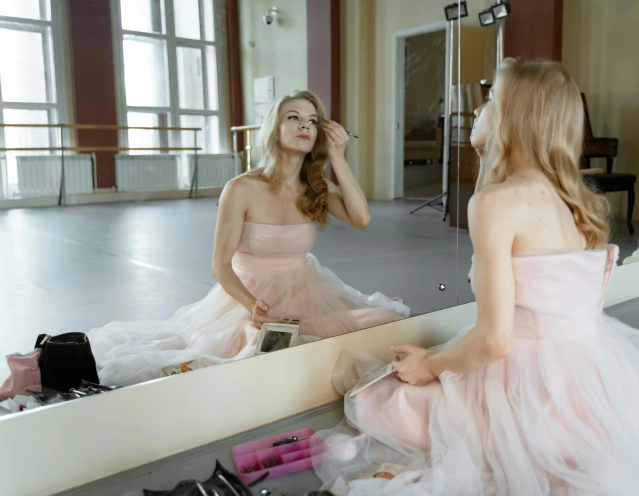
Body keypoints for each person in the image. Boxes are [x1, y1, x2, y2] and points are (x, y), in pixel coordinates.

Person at [313, 60, 639, 495]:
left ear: (516, 117)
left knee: (380, 399)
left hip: (527, 386)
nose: (477, 107)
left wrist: (431, 366)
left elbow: (496, 341)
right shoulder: (579, 201)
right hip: (592, 383)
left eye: (491, 97)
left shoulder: (497, 203)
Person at [89, 91, 409, 387]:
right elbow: (220, 264)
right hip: (250, 297)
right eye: (293, 117)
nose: (305, 126)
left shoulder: (316, 187)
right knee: (255, 356)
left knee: (386, 320)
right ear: (273, 129)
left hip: (306, 290)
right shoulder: (241, 188)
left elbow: (361, 218)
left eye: (312, 121)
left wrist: (338, 158)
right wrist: (251, 305)